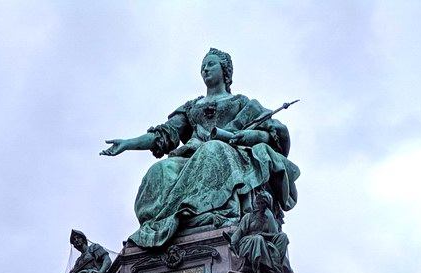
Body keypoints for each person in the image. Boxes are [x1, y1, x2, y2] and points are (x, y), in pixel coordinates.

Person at [100, 48, 300, 251]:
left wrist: (253, 136)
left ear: (225, 70)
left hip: (231, 155)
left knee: (213, 149)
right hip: (192, 156)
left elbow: (273, 134)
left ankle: (206, 214)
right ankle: (174, 220)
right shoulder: (191, 107)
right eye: (202, 66)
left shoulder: (242, 103)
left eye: (211, 64)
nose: (205, 68)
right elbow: (164, 135)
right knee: (160, 170)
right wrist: (128, 144)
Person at [227, 187, 292, 273]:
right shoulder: (249, 217)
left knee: (283, 236)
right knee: (258, 239)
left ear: (268, 204)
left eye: (263, 203)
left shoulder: (270, 218)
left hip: (267, 241)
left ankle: (277, 267)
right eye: (259, 203)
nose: (260, 205)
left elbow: (274, 234)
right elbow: (239, 232)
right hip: (249, 242)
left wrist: (270, 217)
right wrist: (232, 243)